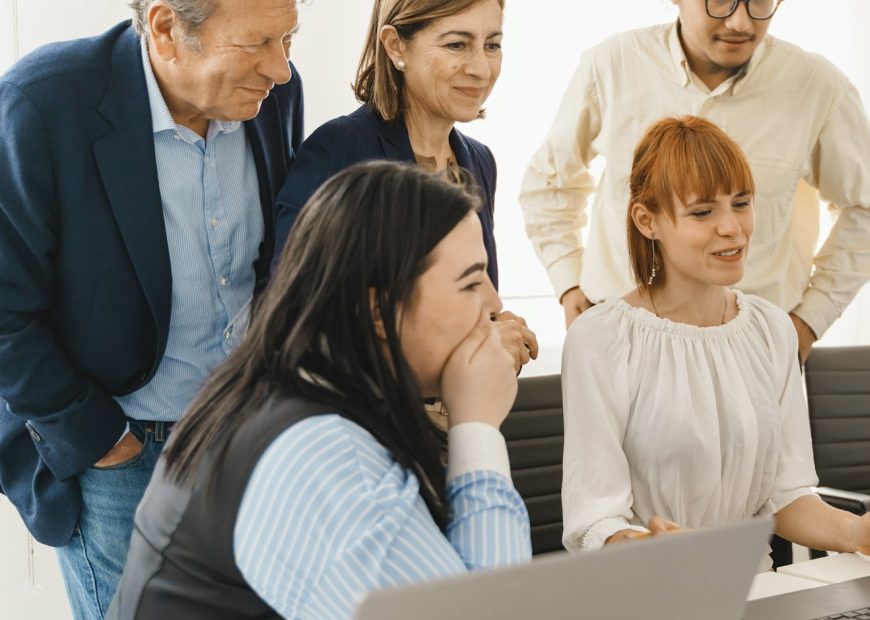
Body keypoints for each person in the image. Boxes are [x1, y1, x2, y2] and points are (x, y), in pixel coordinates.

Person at [110, 161, 531, 620]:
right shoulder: (322, 457)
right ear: (377, 310)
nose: (493, 303)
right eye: (471, 282)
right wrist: (478, 426)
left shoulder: (283, 389)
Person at [0, 0, 303, 616]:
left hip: (247, 435)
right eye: (256, 44)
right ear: (166, 29)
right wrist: (106, 442)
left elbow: (277, 262)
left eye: (289, 39)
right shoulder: (41, 105)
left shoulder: (273, 97)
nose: (281, 69)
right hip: (121, 453)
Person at [560, 116, 870, 564]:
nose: (733, 228)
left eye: (741, 203)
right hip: (649, 594)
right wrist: (647, 546)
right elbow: (594, 519)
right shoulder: (603, 338)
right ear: (647, 221)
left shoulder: (770, 329)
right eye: (703, 212)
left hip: (755, 589)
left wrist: (867, 531)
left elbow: (784, 497)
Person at [521, 0, 870, 362]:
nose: (741, 23)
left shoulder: (817, 86)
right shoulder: (611, 64)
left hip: (753, 347)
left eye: (760, 2)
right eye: (720, 1)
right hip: (620, 339)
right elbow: (549, 184)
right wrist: (568, 282)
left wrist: (808, 321)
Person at [274, 0, 502, 287]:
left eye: (492, 45)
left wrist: (494, 324)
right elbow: (293, 305)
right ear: (395, 46)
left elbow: (473, 294)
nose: (482, 69)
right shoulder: (340, 148)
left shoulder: (480, 161)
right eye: (457, 44)